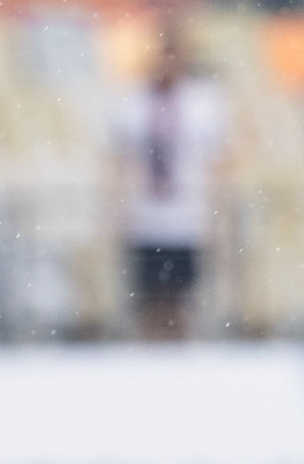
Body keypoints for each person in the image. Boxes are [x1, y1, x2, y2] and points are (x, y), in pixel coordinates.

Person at [112, 25, 228, 341]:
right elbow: (120, 161)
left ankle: (178, 356)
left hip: (186, 217)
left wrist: (217, 216)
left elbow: (218, 163)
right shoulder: (133, 101)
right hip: (145, 216)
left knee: (181, 301)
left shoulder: (203, 102)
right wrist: (117, 211)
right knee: (149, 301)